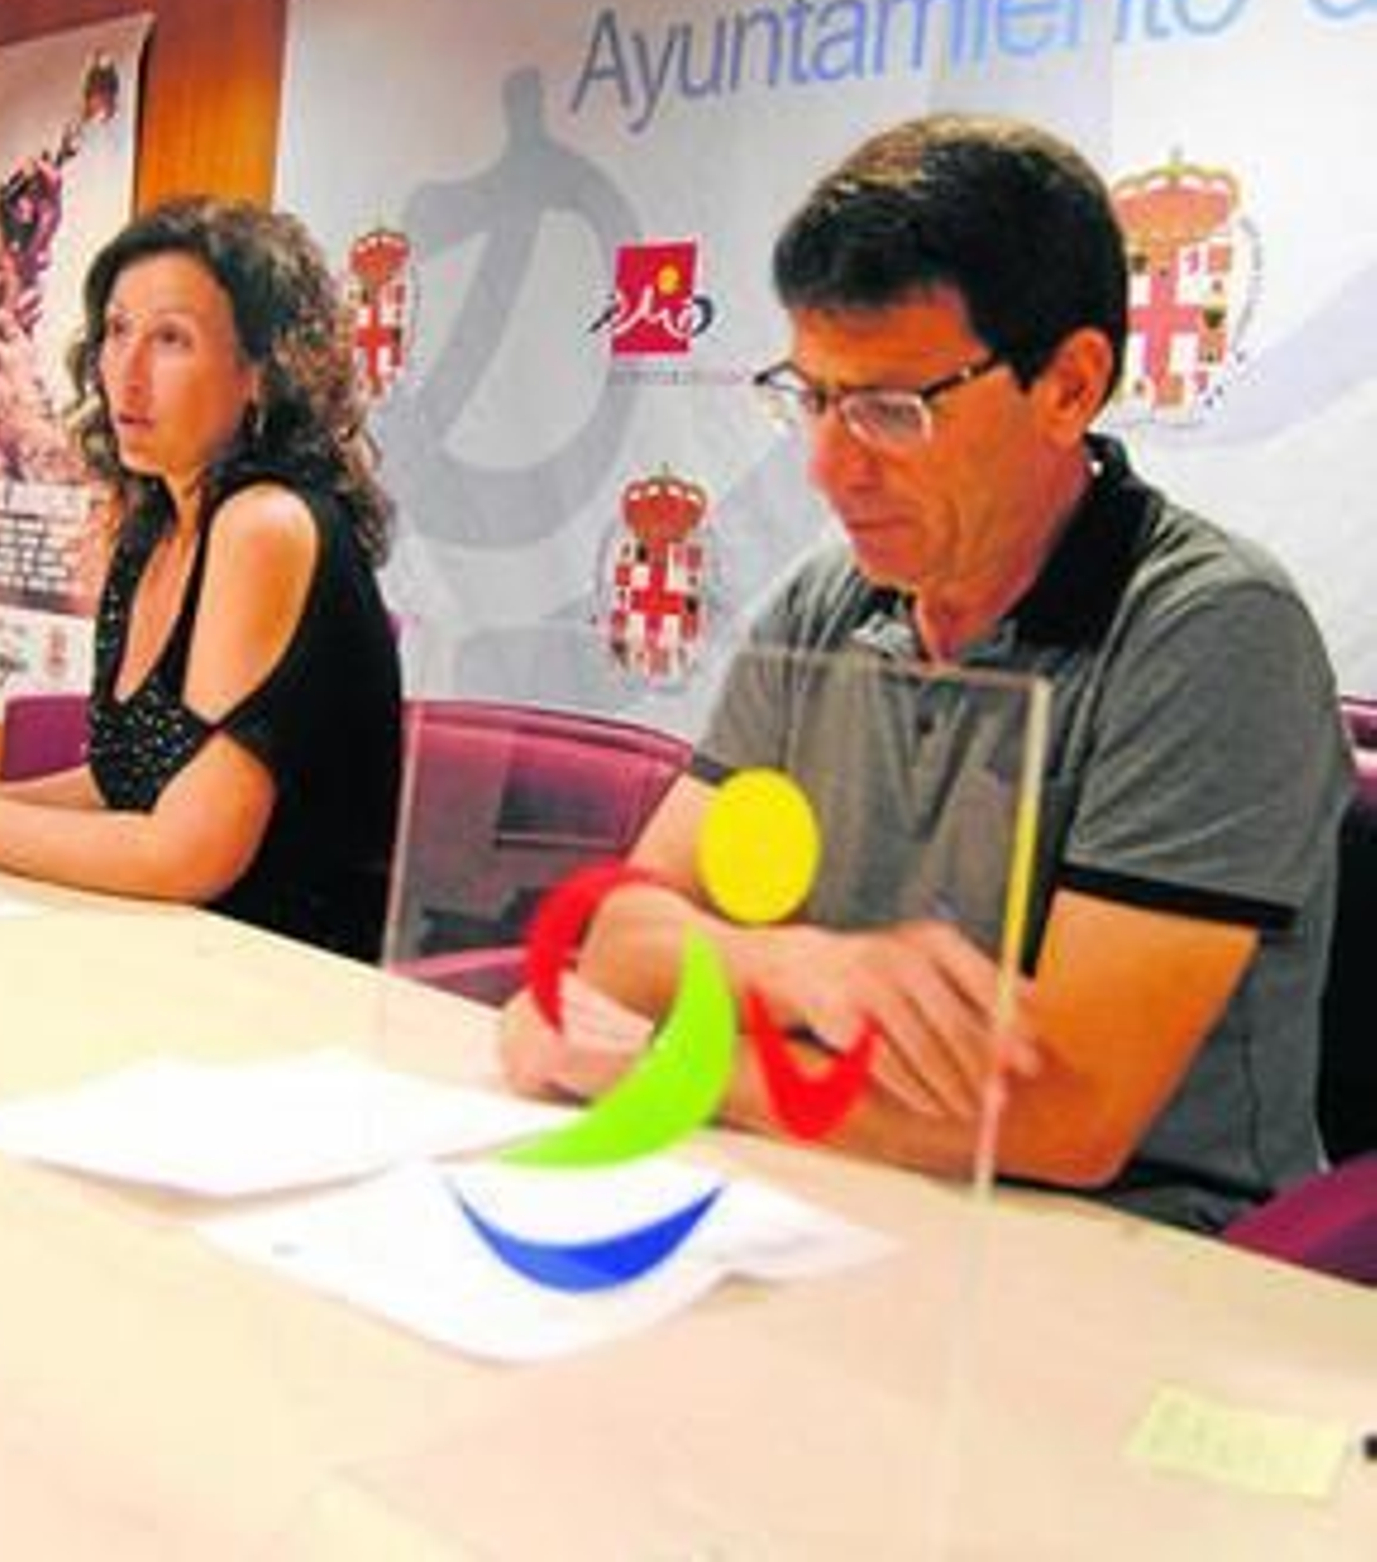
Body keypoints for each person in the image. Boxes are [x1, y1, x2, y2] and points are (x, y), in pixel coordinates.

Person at [501, 114, 1352, 1232]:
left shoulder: (1210, 629)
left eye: (890, 409)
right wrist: (800, 969)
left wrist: (671, 1068)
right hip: (833, 1198)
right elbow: (623, 934)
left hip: (1133, 1257)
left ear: (1068, 384)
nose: (828, 465)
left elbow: (1064, 1119)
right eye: (810, 396)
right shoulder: (826, 602)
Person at [0, 195, 402, 961]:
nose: (127, 373)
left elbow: (188, 855)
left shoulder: (263, 525)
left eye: (171, 339)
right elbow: (124, 778)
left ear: (261, 375)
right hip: (165, 953)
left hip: (285, 985)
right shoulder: (156, 525)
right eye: (117, 331)